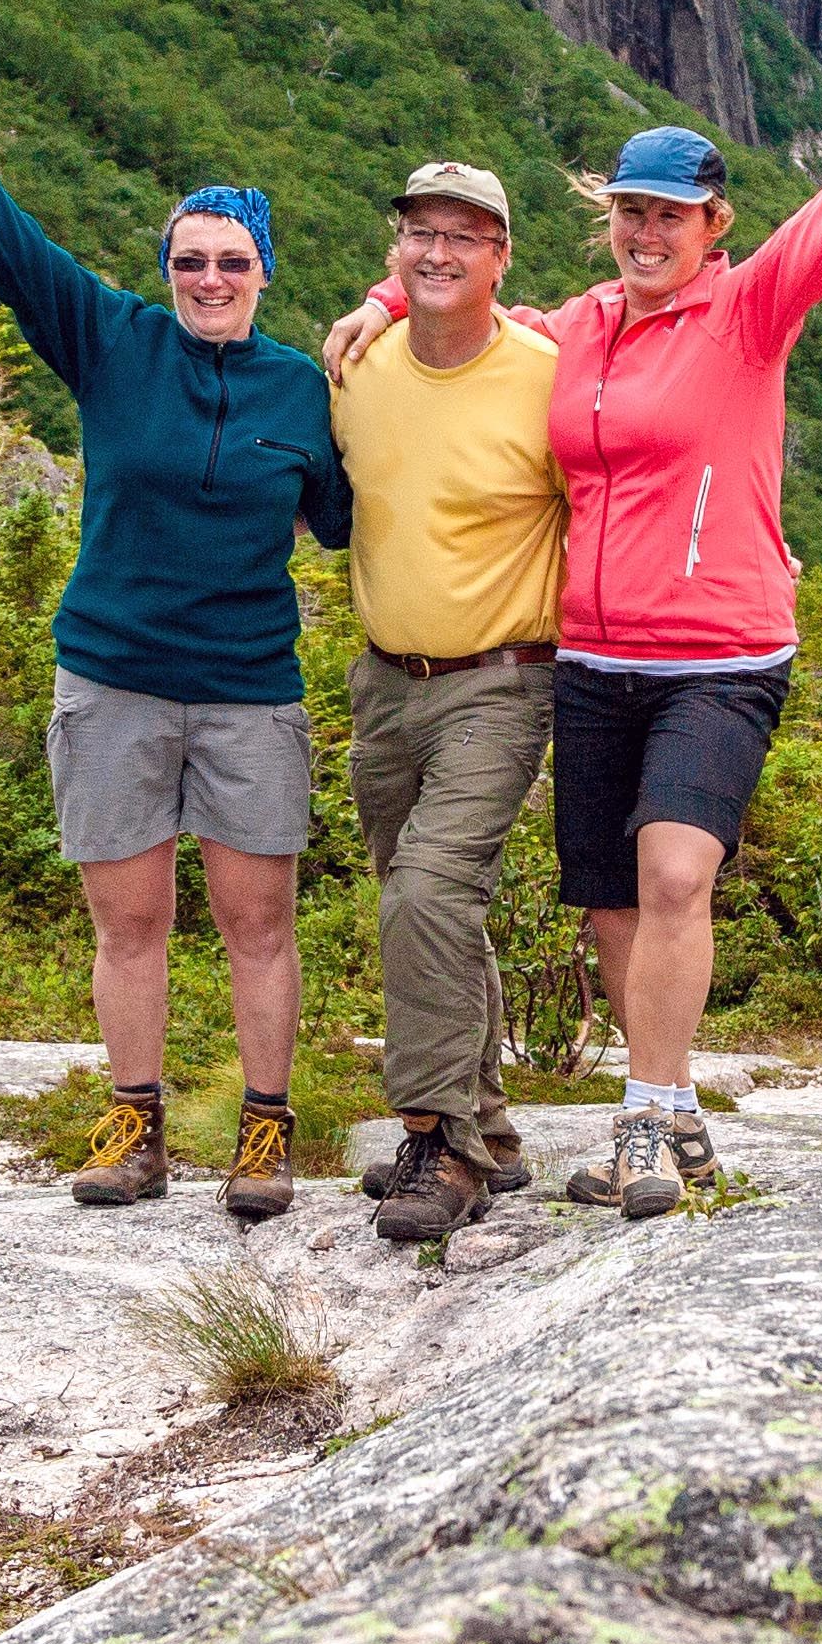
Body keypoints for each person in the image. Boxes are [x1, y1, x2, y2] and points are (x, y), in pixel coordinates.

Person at [332, 39, 822, 1218]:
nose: (646, 232)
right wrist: (388, 296)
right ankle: (670, 1112)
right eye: (629, 211)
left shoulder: (749, 311)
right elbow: (479, 302)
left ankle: (646, 1120)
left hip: (720, 655)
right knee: (612, 897)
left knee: (674, 872)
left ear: (713, 223)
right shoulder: (585, 325)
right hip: (596, 658)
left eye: (670, 215)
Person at [0, 0, 352, 1218]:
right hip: (114, 677)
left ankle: (266, 1132)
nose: (211, 278)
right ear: (166, 269)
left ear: (264, 272)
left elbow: (352, 515)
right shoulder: (113, 342)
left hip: (248, 688)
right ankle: (137, 1125)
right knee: (131, 922)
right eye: (191, 260)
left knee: (258, 922)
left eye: (233, 261)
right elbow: (2, 241)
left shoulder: (303, 389)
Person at [327, 159, 567, 1245]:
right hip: (384, 683)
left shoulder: (546, 374)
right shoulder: (358, 364)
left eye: (465, 237)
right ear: (396, 250)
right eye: (420, 233)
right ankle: (494, 1128)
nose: (438, 253)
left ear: (501, 258)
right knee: (429, 905)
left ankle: (440, 1143)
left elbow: (628, 487)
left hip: (503, 683)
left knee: (426, 891)